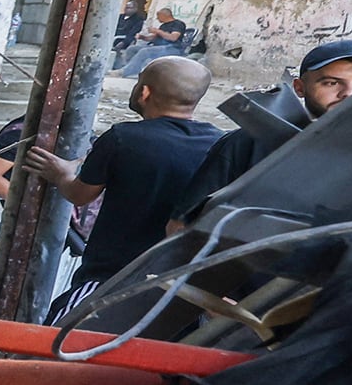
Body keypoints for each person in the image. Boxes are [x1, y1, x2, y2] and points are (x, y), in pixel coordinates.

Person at [18, 57, 218, 292]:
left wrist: (60, 173)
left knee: (65, 327)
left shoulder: (122, 138)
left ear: (144, 92)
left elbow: (80, 194)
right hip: (176, 280)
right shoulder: (219, 143)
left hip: (111, 276)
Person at [169, 37, 352, 221]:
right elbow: (181, 227)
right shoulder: (250, 142)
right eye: (331, 83)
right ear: (299, 88)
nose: (349, 94)